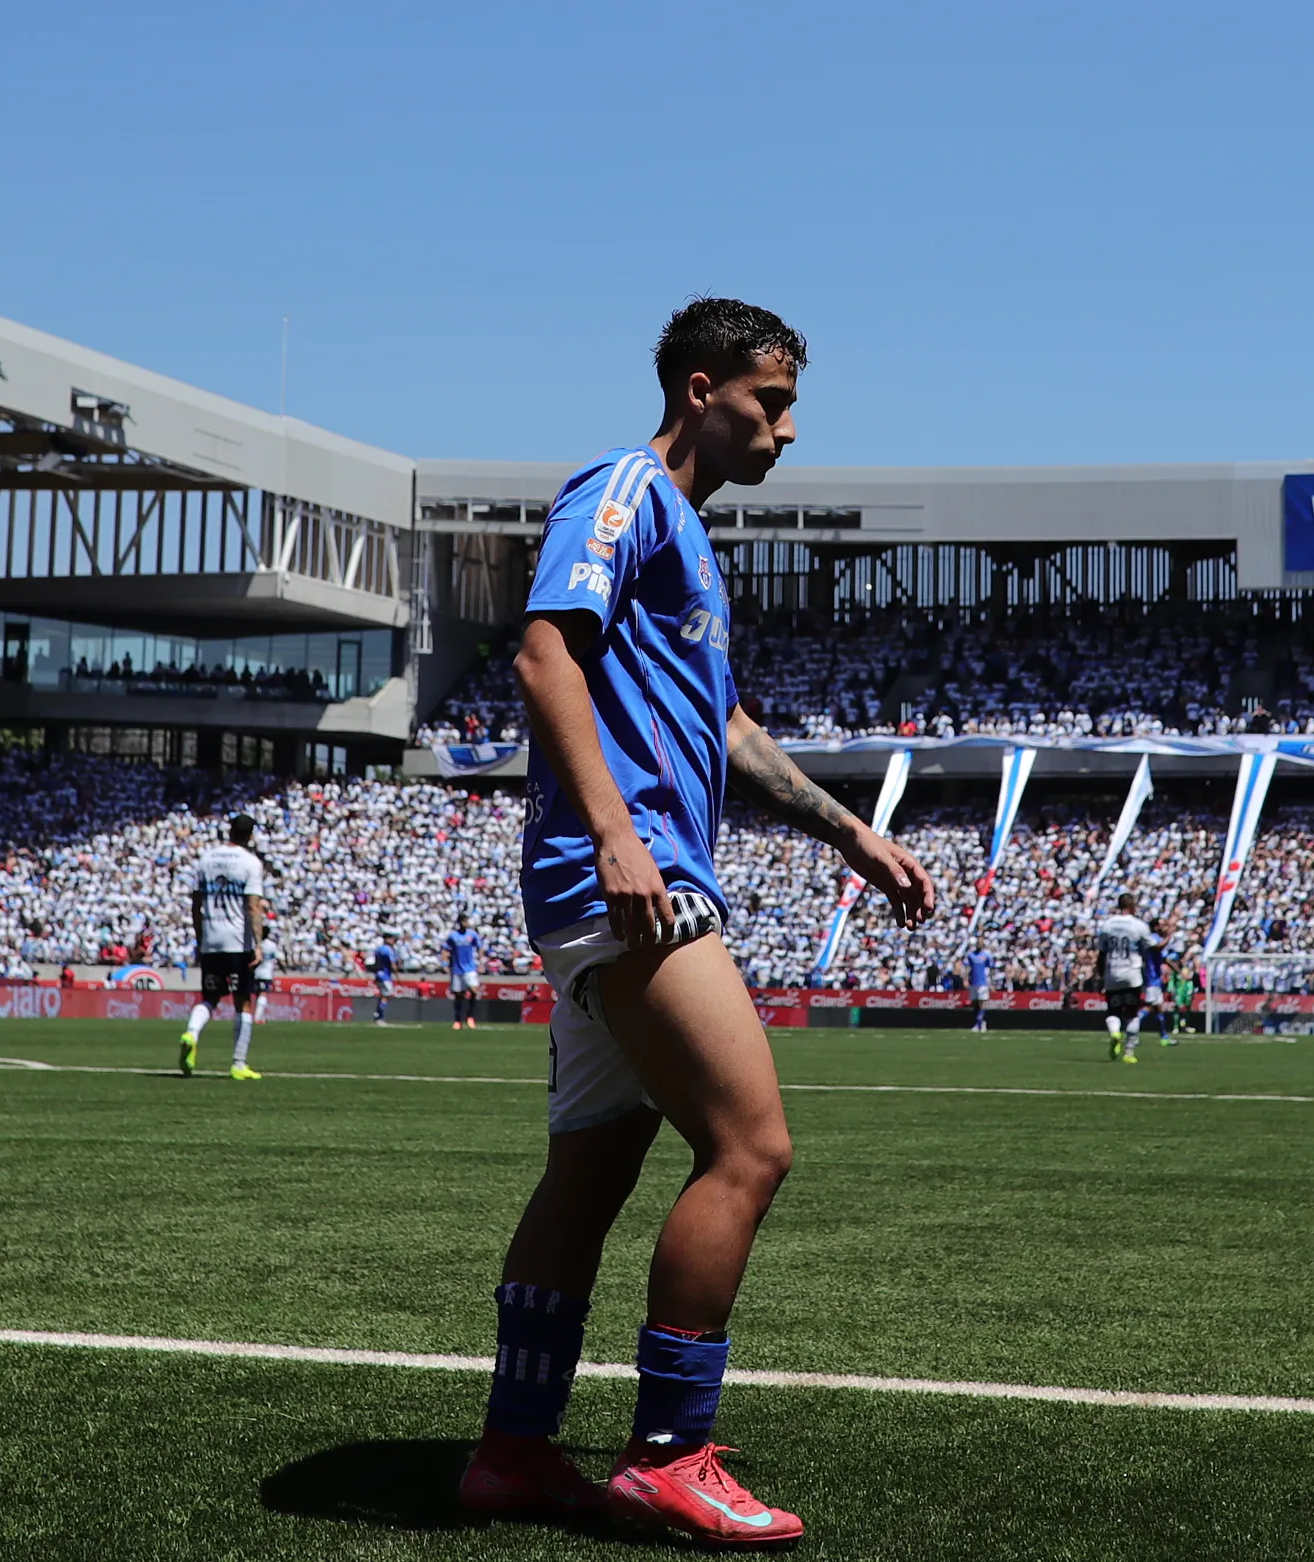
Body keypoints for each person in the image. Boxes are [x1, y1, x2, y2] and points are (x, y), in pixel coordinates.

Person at [458, 299, 937, 1549]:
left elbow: (726, 732)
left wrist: (851, 834)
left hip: (620, 875)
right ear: (698, 387)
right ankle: (669, 1452)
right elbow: (546, 655)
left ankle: (514, 1451)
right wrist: (619, 833)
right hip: (629, 876)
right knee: (750, 1147)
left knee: (594, 1165)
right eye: (767, 403)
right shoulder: (619, 489)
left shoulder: (691, 544)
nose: (784, 430)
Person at [177, 813, 269, 1082]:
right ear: (250, 836)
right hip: (237, 942)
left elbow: (196, 903)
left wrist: (199, 937)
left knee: (210, 997)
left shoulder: (206, 859)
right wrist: (259, 944)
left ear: (229, 831)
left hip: (211, 939)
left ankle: (191, 1034)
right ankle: (238, 1063)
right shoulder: (251, 863)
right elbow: (253, 905)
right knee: (244, 1002)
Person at [1097, 892, 1154, 1062]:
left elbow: (1101, 954)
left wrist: (1101, 975)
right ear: (1132, 906)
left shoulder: (1107, 925)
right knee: (1132, 1014)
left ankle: (1115, 1033)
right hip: (1132, 973)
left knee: (1113, 1011)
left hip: (1112, 972)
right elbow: (1149, 949)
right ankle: (1129, 1052)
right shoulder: (1139, 925)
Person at [445, 913, 484, 1030]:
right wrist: (445, 964)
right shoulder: (453, 936)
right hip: (457, 969)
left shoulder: (472, 935)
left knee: (474, 990)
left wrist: (481, 963)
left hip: (470, 968)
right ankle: (457, 1020)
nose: (466, 924)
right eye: (464, 921)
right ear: (460, 923)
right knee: (459, 995)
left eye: (467, 921)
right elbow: (445, 949)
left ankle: (470, 1017)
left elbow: (479, 947)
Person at [1141, 919, 1175, 1045]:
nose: (1164, 927)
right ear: (1155, 927)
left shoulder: (1157, 938)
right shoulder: (1153, 938)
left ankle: (1164, 1037)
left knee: (1158, 1009)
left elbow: (1165, 959)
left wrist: (1178, 971)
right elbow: (1159, 948)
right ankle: (1131, 1031)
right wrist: (1169, 936)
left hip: (1156, 980)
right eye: (1161, 925)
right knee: (1150, 1008)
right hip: (1152, 979)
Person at [371, 932, 398, 1026]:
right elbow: (392, 964)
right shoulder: (389, 950)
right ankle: (380, 1018)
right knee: (385, 996)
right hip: (385, 976)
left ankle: (377, 1016)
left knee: (383, 996)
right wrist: (397, 973)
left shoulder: (379, 949)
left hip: (378, 974)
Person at [963, 946, 992, 1032]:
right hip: (973, 982)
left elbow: (990, 967)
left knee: (982, 1003)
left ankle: (980, 1023)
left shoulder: (986, 955)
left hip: (982, 982)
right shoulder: (971, 955)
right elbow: (967, 967)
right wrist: (965, 979)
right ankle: (979, 1022)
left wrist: (991, 981)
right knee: (974, 1003)